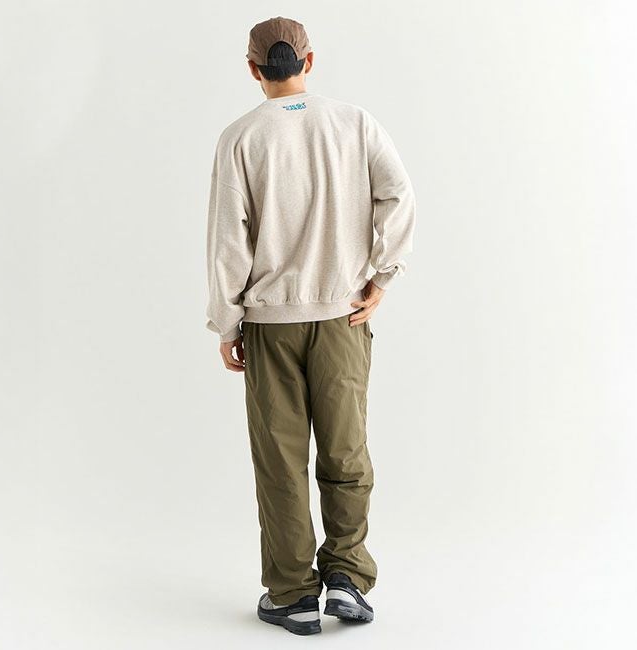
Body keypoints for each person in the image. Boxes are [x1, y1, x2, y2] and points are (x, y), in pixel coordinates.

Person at [205, 15, 416, 636]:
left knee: (280, 461)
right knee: (346, 450)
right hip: (344, 317)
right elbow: (399, 195)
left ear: (252, 69)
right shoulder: (355, 123)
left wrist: (227, 323)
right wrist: (382, 277)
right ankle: (347, 578)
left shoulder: (240, 137)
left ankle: (294, 593)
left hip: (270, 325)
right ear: (310, 61)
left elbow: (228, 242)